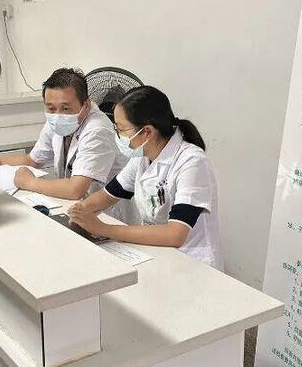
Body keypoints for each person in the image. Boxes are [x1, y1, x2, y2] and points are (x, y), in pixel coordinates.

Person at [69, 86, 223, 270]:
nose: (117, 135)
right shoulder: (143, 157)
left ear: (147, 132)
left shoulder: (192, 162)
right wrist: (80, 211)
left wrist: (104, 229)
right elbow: (108, 195)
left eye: (121, 129)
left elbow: (175, 234)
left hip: (193, 262)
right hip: (158, 254)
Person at [0, 68, 136, 222]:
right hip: (79, 208)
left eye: (66, 108)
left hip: (110, 215)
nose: (58, 115)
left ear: (86, 105)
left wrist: (30, 182)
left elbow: (75, 189)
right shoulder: (56, 121)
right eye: (51, 108)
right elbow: (33, 159)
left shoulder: (97, 130)